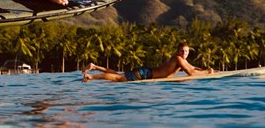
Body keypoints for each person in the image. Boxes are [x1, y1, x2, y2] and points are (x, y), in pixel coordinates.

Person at [82, 42, 214, 82]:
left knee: (119, 74)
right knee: (118, 78)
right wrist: (207, 73)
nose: (184, 53)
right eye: (182, 51)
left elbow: (193, 67)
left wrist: (205, 70)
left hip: (147, 72)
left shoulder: (181, 59)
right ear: (177, 51)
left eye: (186, 51)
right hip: (146, 74)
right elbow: (191, 72)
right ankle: (92, 76)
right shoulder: (178, 59)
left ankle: (95, 66)